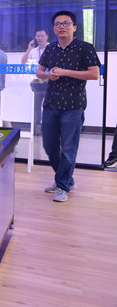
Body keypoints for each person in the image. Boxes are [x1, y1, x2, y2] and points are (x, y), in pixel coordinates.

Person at [37, 11, 100, 202]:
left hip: (73, 106)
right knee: (49, 147)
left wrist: (65, 72)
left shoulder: (85, 47)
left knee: (68, 149)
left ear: (75, 27)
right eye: (57, 24)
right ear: (54, 28)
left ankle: (62, 186)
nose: (61, 26)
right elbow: (39, 72)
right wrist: (49, 75)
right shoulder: (50, 48)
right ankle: (66, 179)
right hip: (50, 104)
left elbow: (94, 74)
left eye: (66, 23)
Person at [21, 29, 50, 135]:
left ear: (47, 37)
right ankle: (37, 128)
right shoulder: (33, 51)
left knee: (49, 107)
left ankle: (48, 128)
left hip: (49, 83)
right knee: (36, 108)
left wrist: (49, 76)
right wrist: (29, 49)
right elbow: (23, 63)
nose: (40, 38)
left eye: (42, 36)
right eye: (38, 36)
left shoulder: (53, 48)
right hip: (36, 83)